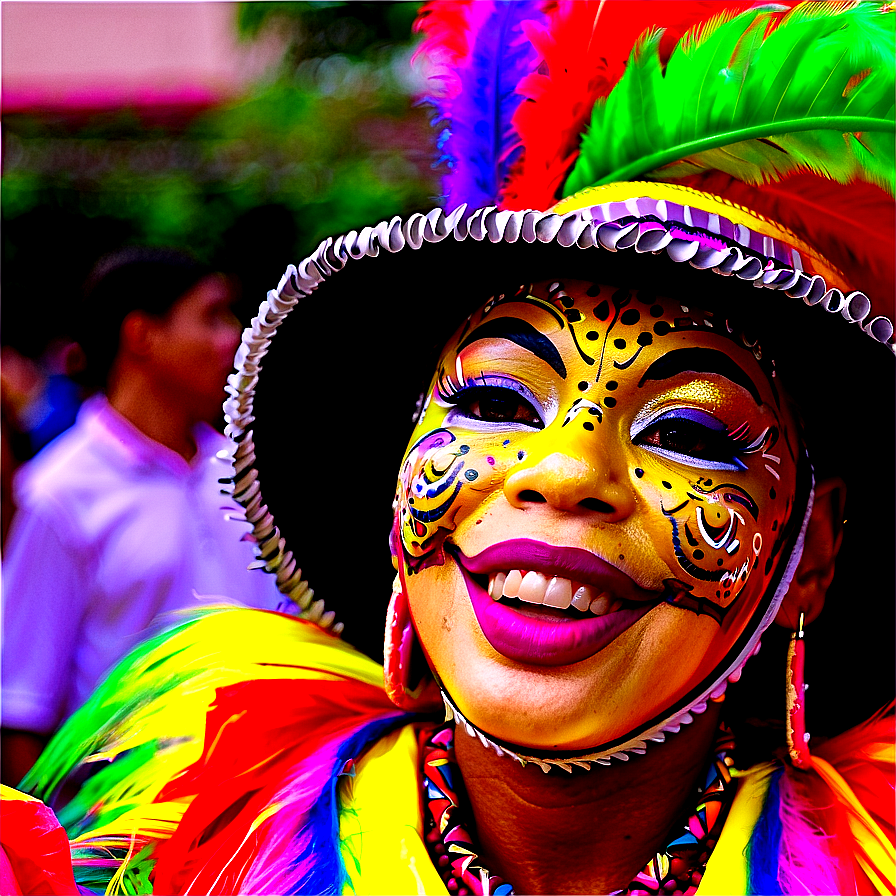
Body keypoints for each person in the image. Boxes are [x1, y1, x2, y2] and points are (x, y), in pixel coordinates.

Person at [2, 2, 894, 894]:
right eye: (499, 400)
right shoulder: (197, 856)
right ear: (401, 476)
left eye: (686, 433)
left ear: (809, 551)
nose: (565, 470)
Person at [1, 247, 288, 787]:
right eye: (211, 317)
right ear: (142, 336)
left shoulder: (246, 474)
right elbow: (22, 709)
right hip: (117, 847)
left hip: (264, 817)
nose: (235, 338)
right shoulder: (59, 494)